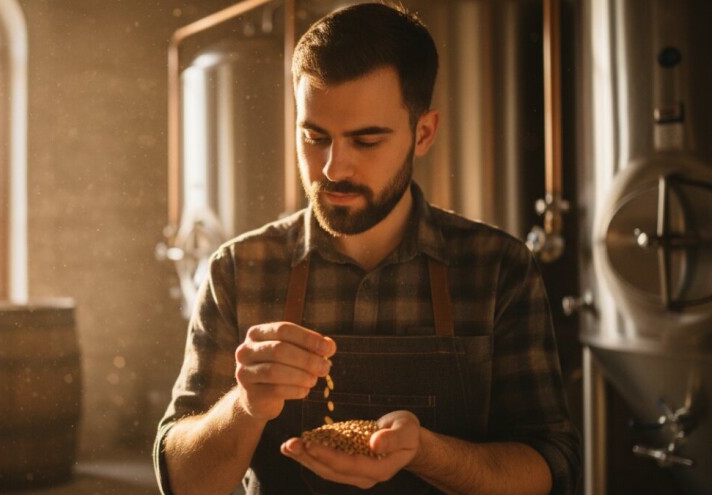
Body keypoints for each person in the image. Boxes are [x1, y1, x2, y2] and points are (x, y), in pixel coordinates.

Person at [153, 3, 581, 494]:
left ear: (423, 133)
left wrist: (425, 452)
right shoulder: (239, 270)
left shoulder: (497, 268)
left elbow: (554, 468)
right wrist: (245, 406)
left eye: (366, 141)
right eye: (315, 137)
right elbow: (181, 483)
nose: (334, 168)